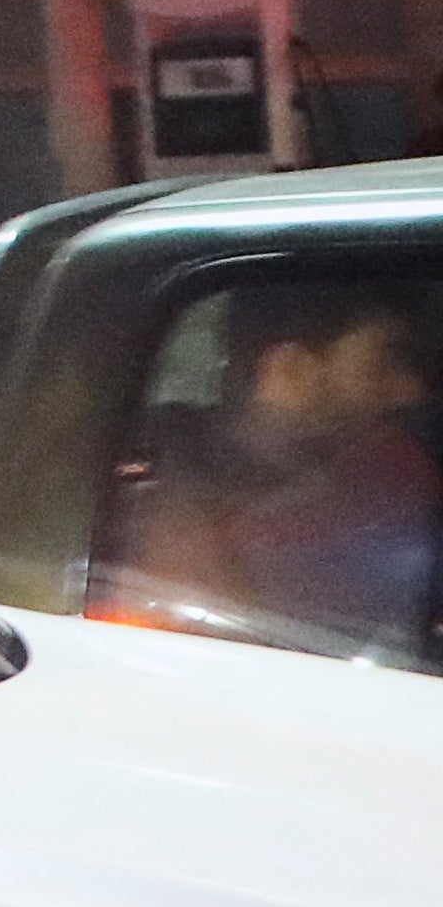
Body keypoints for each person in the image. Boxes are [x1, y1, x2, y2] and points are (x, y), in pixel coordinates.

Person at [101, 280, 442, 663]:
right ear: (291, 368)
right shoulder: (162, 479)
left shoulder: (397, 464)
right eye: (384, 362)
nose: (412, 391)